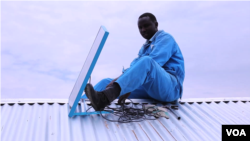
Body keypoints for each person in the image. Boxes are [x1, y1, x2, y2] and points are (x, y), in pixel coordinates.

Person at [84, 12, 185, 111]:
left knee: (147, 61)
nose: (143, 30)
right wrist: (120, 81)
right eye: (140, 28)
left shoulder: (166, 38)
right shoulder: (145, 47)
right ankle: (81, 102)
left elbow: (154, 62)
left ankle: (103, 99)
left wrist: (125, 85)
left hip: (170, 88)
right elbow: (134, 68)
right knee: (106, 82)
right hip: (151, 89)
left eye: (146, 26)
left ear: (156, 24)